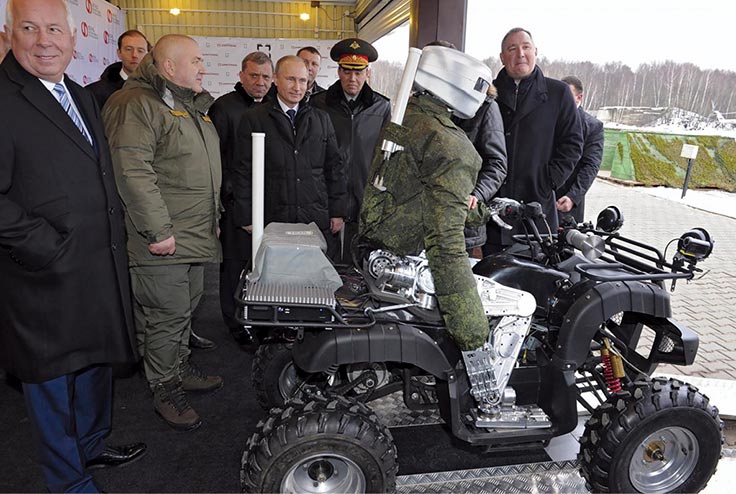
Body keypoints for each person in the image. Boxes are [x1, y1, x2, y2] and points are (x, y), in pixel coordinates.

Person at [0, 0, 146, 491]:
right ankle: (67, 482)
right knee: (52, 382)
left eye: (54, 29)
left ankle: (91, 445)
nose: (45, 40)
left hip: (96, 263)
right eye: (30, 28)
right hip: (42, 273)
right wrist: (44, 246)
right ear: (10, 33)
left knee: (94, 362)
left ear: (72, 36)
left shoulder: (80, 94)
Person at [358, 45, 495, 406]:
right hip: (408, 254)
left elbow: (409, 189)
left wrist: (481, 211)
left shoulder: (407, 117)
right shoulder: (451, 145)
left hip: (378, 244)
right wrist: (474, 339)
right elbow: (446, 243)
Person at [102, 34, 223, 432]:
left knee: (184, 309)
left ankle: (179, 365)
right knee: (165, 316)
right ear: (169, 67)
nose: (203, 68)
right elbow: (133, 172)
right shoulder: (136, 104)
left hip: (190, 235)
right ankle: (164, 386)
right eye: (197, 61)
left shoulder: (185, 106)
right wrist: (158, 230)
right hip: (163, 239)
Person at [232, 55, 346, 258]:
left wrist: (338, 212)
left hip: (314, 220)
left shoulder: (321, 119)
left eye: (302, 80)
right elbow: (243, 171)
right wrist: (247, 215)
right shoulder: (254, 119)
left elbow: (334, 168)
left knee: (312, 283)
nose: (297, 87)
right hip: (272, 219)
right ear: (276, 79)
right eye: (290, 79)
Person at [485, 27, 583, 254]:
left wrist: (548, 180)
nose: (520, 53)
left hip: (536, 206)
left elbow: (573, 143)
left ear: (535, 51)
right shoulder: (489, 93)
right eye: (512, 48)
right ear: (502, 57)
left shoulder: (557, 93)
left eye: (525, 47)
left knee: (534, 275)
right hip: (493, 206)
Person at [208, 51, 273, 347]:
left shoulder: (274, 108)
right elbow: (215, 160)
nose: (260, 82)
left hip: (268, 204)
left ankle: (262, 321)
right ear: (241, 76)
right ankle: (235, 325)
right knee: (234, 268)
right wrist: (229, 202)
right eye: (254, 76)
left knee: (265, 267)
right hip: (235, 205)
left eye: (265, 77)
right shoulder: (223, 109)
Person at [423, 41, 508, 255]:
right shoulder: (420, 104)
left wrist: (476, 194)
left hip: (460, 224)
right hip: (421, 219)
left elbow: (497, 164)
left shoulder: (484, 106)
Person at [311, 38, 391, 264]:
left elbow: (386, 156)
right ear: (338, 71)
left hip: (365, 195)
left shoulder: (381, 106)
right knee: (326, 259)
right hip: (327, 194)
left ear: (368, 73)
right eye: (347, 71)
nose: (352, 79)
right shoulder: (319, 104)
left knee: (361, 261)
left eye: (358, 72)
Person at [557, 75, 604, 223]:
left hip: (566, 202)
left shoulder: (592, 126)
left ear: (579, 97)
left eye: (567, 96)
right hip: (541, 199)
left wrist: (573, 196)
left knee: (563, 244)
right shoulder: (547, 120)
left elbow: (590, 165)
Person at [86, 29, 149, 109]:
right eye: (129, 49)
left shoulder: (155, 91)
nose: (135, 55)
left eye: (140, 51)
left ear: (147, 56)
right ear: (119, 53)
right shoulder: (95, 92)